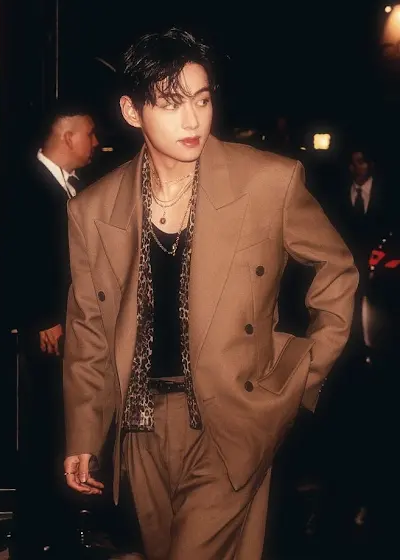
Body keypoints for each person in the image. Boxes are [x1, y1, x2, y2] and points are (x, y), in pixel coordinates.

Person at [62, 28, 358, 560]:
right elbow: (89, 328)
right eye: (171, 103)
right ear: (132, 112)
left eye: (201, 100)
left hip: (234, 417)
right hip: (141, 425)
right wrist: (84, 433)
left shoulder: (267, 182)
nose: (192, 120)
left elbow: (336, 271)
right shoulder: (93, 209)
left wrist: (301, 372)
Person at [11, 102, 99, 559]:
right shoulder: (26, 184)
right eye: (89, 133)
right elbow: (18, 255)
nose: (95, 142)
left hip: (73, 329)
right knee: (43, 432)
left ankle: (63, 531)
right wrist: (41, 318)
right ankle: (32, 537)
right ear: (67, 136)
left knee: (65, 430)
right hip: (46, 331)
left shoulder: (74, 187)